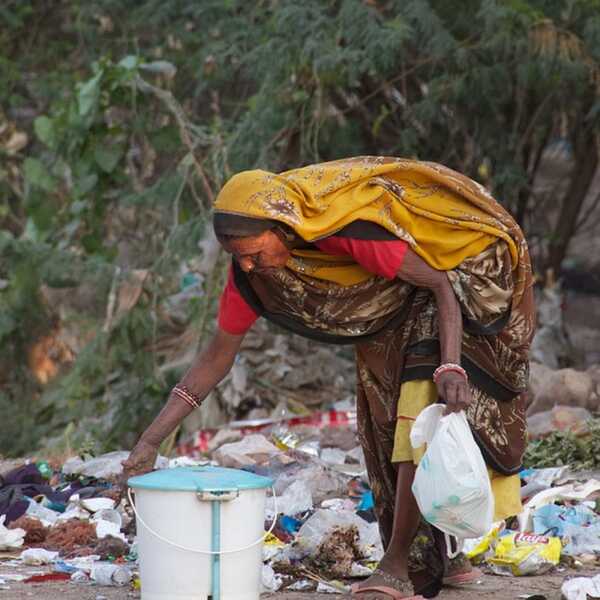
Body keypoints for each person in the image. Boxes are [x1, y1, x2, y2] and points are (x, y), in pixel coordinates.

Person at [122, 156, 535, 600]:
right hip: (395, 305)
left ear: (283, 227)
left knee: (418, 416)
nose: (246, 266)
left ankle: (396, 564)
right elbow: (216, 359)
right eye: (237, 258)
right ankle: (449, 554)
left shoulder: (353, 231)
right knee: (385, 423)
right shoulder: (250, 280)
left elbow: (438, 283)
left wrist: (450, 365)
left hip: (455, 286)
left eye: (254, 254)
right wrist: (150, 440)